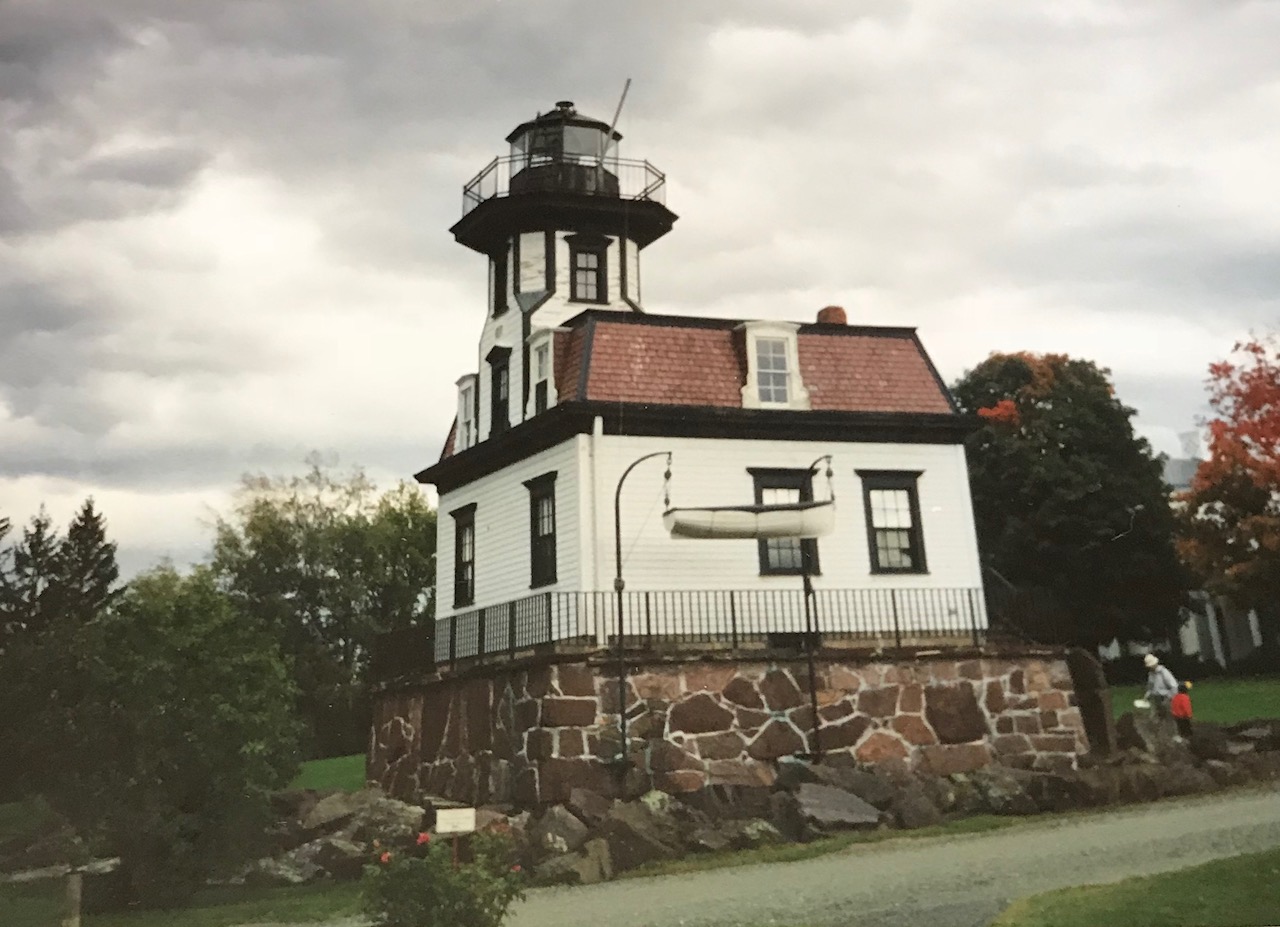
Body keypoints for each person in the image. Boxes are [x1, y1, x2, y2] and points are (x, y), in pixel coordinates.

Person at [1143, 653, 1178, 717]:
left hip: (1166, 698)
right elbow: (1150, 687)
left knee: (1167, 717)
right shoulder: (1151, 674)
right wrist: (1147, 695)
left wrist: (1170, 697)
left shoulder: (1164, 672)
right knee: (1157, 717)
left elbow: (1174, 686)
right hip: (1156, 699)